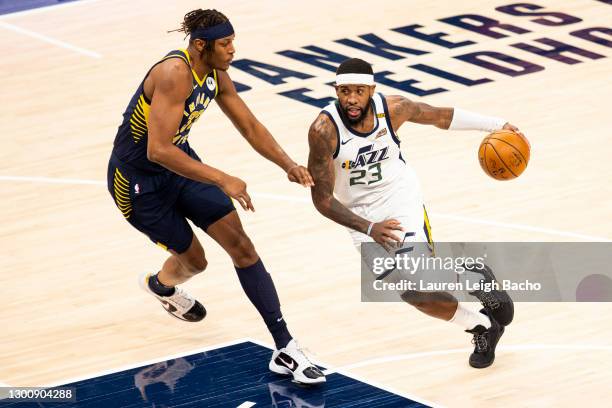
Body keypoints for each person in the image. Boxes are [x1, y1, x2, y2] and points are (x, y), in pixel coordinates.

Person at [107, 8, 324, 384]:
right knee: (195, 261)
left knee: (242, 246)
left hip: (182, 167)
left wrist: (287, 164)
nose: (232, 50)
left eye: (232, 41)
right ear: (200, 45)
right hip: (139, 183)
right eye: (225, 43)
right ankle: (162, 285)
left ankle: (285, 346)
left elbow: (249, 124)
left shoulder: (216, 72)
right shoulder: (174, 73)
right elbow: (157, 149)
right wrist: (223, 179)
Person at [307, 57, 518, 368]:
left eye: (359, 91)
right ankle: (483, 326)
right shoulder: (324, 131)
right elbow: (323, 200)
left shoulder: (395, 109)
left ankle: (472, 273)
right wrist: (368, 228)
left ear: (372, 90)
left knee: (420, 273)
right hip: (359, 216)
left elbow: (439, 116)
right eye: (344, 91)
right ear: (336, 91)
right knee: (412, 294)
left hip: (399, 198)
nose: (351, 99)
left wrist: (497, 125)